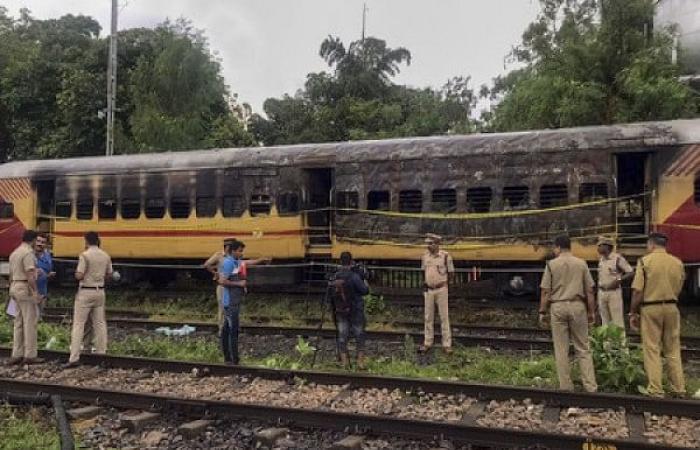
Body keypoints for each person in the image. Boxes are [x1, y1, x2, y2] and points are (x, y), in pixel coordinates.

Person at [629, 232, 686, 397]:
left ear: (651, 245)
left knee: (652, 349)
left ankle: (655, 389)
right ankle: (679, 388)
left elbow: (638, 291)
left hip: (650, 308)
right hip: (672, 307)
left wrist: (633, 311)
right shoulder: (677, 263)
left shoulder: (645, 262)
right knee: (673, 349)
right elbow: (680, 286)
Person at [539, 235, 597, 392]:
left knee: (561, 349)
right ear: (569, 247)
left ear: (558, 247)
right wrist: (592, 312)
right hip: (578, 306)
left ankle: (566, 387)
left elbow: (545, 291)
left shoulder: (551, 265)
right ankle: (590, 386)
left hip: (557, 307)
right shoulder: (581, 263)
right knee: (583, 348)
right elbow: (590, 291)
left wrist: (542, 311)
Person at [217, 239, 270, 365]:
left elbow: (247, 262)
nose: (242, 253)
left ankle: (228, 358)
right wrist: (239, 283)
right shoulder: (229, 263)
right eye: (240, 251)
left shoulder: (236, 262)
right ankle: (234, 360)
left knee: (226, 330)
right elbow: (222, 281)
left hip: (233, 300)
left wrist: (261, 260)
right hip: (230, 302)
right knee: (233, 330)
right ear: (233, 251)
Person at [66, 231, 114, 367]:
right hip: (100, 291)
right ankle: (101, 353)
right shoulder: (106, 255)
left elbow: (79, 275)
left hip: (85, 292)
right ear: (98, 241)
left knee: (78, 324)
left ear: (86, 241)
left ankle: (74, 357)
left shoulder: (84, 256)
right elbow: (109, 275)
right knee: (100, 323)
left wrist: (76, 274)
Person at [6, 230, 43, 365]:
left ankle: (16, 354)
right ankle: (30, 355)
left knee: (18, 322)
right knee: (30, 322)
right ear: (33, 240)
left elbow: (11, 274)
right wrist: (35, 292)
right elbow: (29, 275)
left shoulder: (15, 252)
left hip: (14, 286)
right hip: (24, 287)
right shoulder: (28, 253)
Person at [332, 251, 370, 369]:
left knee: (342, 336)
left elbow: (330, 294)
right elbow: (365, 291)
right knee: (359, 335)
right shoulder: (354, 276)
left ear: (340, 262)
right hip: (356, 310)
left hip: (340, 311)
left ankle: (344, 362)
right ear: (351, 262)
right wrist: (364, 279)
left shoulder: (336, 276)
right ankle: (360, 362)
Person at [419, 233, 454, 354]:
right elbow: (423, 271)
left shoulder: (445, 256)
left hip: (441, 289)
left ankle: (447, 344)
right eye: (427, 244)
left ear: (437, 244)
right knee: (428, 317)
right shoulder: (425, 256)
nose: (429, 246)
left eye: (431, 243)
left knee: (444, 316)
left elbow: (451, 273)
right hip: (429, 289)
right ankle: (427, 342)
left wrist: (445, 284)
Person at [596, 237, 633, 328]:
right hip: (602, 292)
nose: (598, 248)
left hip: (614, 292)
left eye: (601, 245)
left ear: (608, 247)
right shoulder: (601, 260)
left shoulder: (617, 258)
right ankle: (607, 342)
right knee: (605, 321)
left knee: (617, 321)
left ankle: (619, 342)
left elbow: (630, 272)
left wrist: (619, 280)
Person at [203, 244, 228, 334]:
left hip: (232, 285)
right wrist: (215, 273)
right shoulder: (219, 255)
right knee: (223, 308)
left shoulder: (234, 256)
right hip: (223, 286)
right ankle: (222, 329)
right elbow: (207, 264)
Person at [34, 233, 55, 318]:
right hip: (30, 292)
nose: (40, 244)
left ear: (45, 244)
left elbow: (48, 270)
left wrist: (48, 275)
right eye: (38, 241)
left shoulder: (47, 255)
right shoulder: (29, 254)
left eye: (43, 242)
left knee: (40, 317)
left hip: (42, 292)